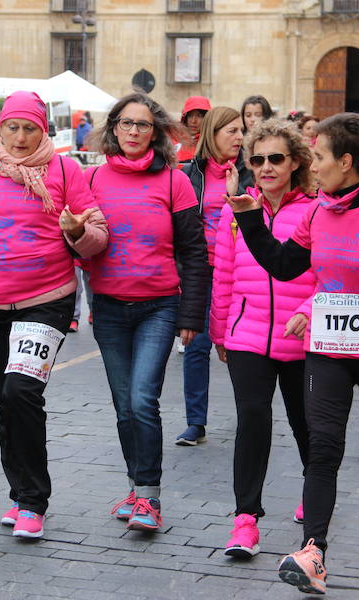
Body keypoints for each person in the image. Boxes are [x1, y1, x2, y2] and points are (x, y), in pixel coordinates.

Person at [233, 113, 359, 594]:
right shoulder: (320, 212)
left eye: (319, 157)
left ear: (347, 162)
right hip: (328, 347)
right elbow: (284, 266)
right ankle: (313, 551)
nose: (313, 166)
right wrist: (249, 220)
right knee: (323, 447)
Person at [0, 91, 108, 539]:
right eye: (12, 127)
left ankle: (34, 501)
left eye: (29, 128)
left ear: (43, 130)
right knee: (3, 400)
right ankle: (18, 493)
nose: (19, 136)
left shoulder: (64, 170)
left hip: (46, 299)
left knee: (21, 391)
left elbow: (98, 235)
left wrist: (78, 231)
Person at [84, 92, 208, 532]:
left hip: (159, 306)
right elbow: (80, 244)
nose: (134, 131)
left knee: (141, 400)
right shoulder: (93, 179)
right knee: (123, 407)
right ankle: (136, 489)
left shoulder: (174, 180)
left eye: (143, 125)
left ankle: (150, 497)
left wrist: (192, 316)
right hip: (110, 308)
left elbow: (194, 251)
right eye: (126, 123)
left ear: (156, 133)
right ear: (113, 129)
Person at [210, 118, 316, 558]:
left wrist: (308, 312)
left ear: (295, 162)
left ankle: (316, 494)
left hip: (302, 340)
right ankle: (245, 521)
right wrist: (219, 328)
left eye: (277, 158)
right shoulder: (235, 209)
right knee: (252, 422)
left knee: (307, 425)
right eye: (258, 159)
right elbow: (225, 274)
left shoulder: (315, 208)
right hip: (247, 336)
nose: (267, 167)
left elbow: (328, 275)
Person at [175, 107, 244, 446]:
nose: (239, 137)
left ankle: (248, 413)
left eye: (241, 131)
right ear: (213, 134)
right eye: (232, 131)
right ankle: (195, 422)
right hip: (201, 270)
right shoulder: (192, 174)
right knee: (196, 345)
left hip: (242, 271)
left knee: (241, 346)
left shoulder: (250, 171)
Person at [176, 96, 211, 163]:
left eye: (199, 116)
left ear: (207, 118)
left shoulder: (211, 143)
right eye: (190, 116)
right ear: (185, 118)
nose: (193, 121)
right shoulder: (173, 137)